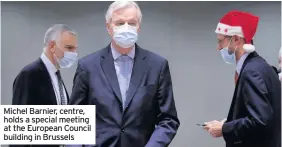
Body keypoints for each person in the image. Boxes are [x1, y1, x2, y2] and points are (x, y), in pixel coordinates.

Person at [68, 1, 180, 147]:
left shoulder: (157, 66)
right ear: (109, 27)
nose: (126, 28)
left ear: (138, 27)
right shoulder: (88, 66)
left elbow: (168, 119)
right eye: (120, 23)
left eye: (132, 23)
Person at [204, 11, 281, 147]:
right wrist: (227, 122)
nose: (218, 48)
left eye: (220, 41)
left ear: (236, 40)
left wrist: (224, 129)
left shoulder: (252, 72)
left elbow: (259, 120)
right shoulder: (260, 67)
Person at [12, 24, 78, 106]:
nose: (74, 54)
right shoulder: (29, 75)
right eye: (69, 48)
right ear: (52, 46)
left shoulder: (56, 75)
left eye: (75, 49)